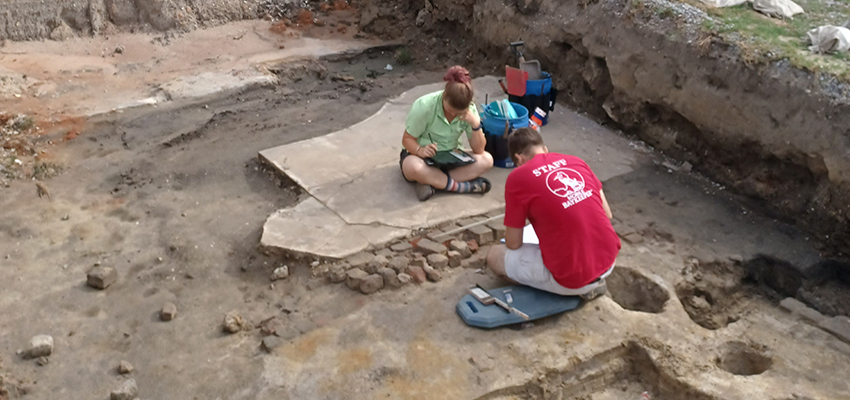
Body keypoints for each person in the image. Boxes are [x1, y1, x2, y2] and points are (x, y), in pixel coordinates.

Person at [486, 127, 620, 300]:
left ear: (518, 159)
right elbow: (607, 214)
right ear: (545, 149)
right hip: (609, 262)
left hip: (572, 278)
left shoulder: (517, 178)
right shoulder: (576, 161)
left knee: (494, 256)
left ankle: (574, 290)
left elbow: (513, 244)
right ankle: (588, 283)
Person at [400, 66, 494, 201]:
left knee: (487, 160)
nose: (453, 114)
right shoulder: (425, 106)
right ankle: (462, 187)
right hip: (421, 158)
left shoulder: (470, 111)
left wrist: (475, 125)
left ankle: (433, 184)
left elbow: (479, 150)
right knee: (414, 167)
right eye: (450, 109)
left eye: (459, 113)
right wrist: (420, 150)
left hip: (451, 157)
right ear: (444, 95)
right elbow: (407, 139)